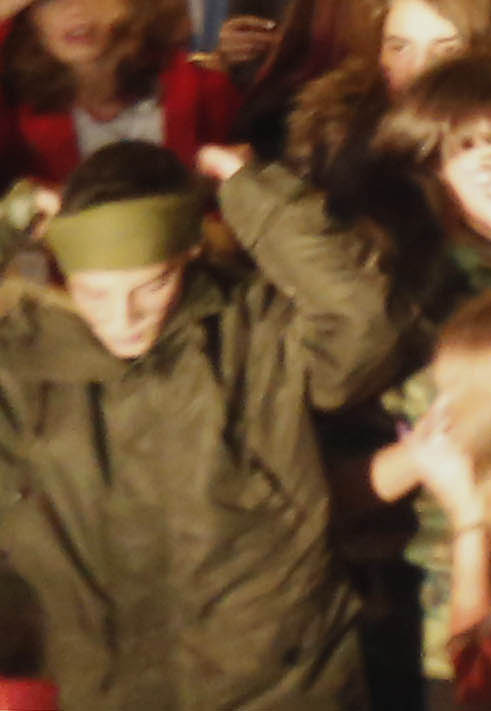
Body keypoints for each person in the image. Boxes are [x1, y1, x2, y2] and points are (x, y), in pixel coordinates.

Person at [0, 142, 409, 711]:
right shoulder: (25, 362)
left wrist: (252, 191)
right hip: (104, 688)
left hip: (279, 680)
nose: (123, 318)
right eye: (94, 292)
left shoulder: (255, 332)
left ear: (190, 251)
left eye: (151, 286)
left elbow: (363, 326)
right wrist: (12, 217)